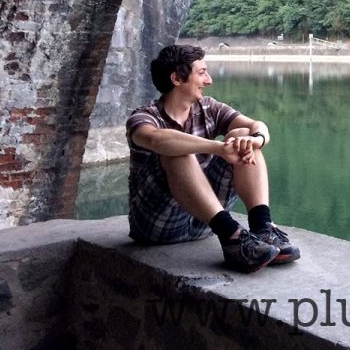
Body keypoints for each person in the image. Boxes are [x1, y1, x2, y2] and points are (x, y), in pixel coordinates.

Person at [125, 44, 300, 273]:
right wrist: (218, 148)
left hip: (206, 223)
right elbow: (156, 140)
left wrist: (257, 140)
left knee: (243, 137)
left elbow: (257, 126)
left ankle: (261, 228)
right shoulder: (143, 117)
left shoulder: (208, 107)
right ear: (177, 79)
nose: (208, 80)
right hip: (157, 227)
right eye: (201, 73)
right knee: (176, 149)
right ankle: (233, 235)